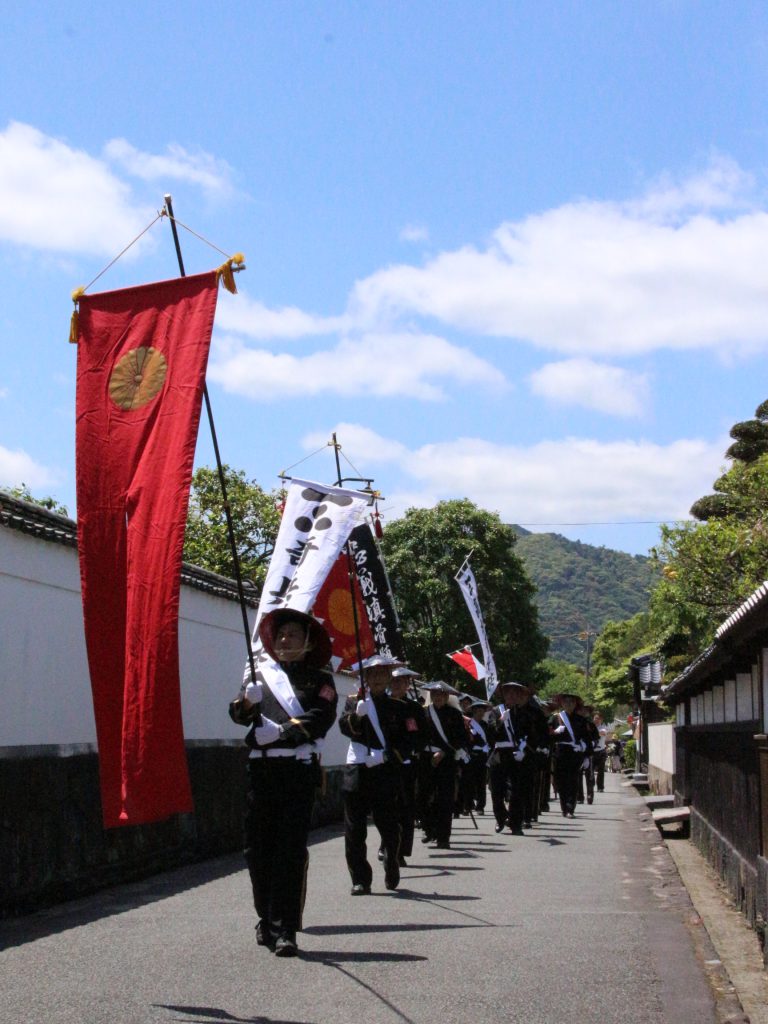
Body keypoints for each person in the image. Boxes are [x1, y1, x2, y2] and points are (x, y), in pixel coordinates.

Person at [231, 608, 338, 957]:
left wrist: (281, 731)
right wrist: (247, 702)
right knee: (256, 850)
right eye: (279, 635)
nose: (283, 640)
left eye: (292, 634)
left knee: (289, 851)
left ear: (306, 642)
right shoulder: (261, 674)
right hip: (261, 773)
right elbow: (236, 714)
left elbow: (321, 717)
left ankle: (286, 928)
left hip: (296, 771)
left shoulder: (320, 678)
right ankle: (266, 917)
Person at [339, 654, 412, 895]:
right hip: (357, 769)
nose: (378, 677)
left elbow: (409, 742)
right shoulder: (354, 701)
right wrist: (356, 716)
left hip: (384, 771)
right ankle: (360, 878)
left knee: (389, 825)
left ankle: (391, 859)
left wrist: (386, 756)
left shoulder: (399, 708)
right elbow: (344, 727)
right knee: (354, 828)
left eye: (383, 673)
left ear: (390, 676)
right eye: (373, 673)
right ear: (366, 677)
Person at [419, 681, 470, 849]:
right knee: (424, 796)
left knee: (445, 799)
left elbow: (461, 738)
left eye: (441, 694)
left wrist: (444, 752)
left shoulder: (454, 714)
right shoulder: (424, 713)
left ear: (447, 696)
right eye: (435, 694)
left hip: (447, 759)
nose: (438, 697)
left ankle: (443, 837)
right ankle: (429, 828)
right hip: (426, 759)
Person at [387, 665, 426, 865]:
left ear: (407, 684)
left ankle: (401, 851)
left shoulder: (415, 708)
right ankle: (387, 845)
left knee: (405, 807)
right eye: (394, 681)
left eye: (402, 682)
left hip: (407, 763)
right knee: (387, 808)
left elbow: (422, 735)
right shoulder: (382, 704)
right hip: (385, 762)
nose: (397, 685)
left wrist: (412, 749)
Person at [488, 681, 534, 835]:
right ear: (504, 695)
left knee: (517, 790)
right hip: (499, 753)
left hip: (517, 753)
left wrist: (523, 748)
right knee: (496, 789)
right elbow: (491, 733)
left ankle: (516, 823)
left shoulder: (524, 713)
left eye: (515, 693)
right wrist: (501, 721)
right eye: (508, 693)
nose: (512, 696)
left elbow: (531, 734)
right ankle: (500, 817)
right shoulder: (495, 711)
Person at [550, 693, 590, 818]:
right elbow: (545, 734)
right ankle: (564, 807)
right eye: (566, 702)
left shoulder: (581, 720)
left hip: (574, 752)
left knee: (573, 780)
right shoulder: (555, 719)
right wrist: (554, 733)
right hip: (560, 751)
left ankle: (570, 808)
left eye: (571, 702)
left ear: (575, 704)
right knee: (561, 781)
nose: (568, 704)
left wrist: (584, 750)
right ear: (561, 703)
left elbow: (587, 738)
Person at [463, 700, 491, 814]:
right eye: (478, 711)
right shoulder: (468, 724)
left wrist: (488, 747)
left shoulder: (486, 725)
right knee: (469, 781)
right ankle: (468, 805)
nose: (480, 713)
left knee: (481, 781)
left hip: (483, 756)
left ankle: (480, 805)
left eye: (482, 711)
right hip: (471, 755)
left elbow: (490, 739)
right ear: (474, 711)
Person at [592, 713, 608, 792]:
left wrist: (592, 733)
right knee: (590, 770)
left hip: (601, 751)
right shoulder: (590, 727)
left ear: (601, 720)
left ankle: (600, 787)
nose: (596, 720)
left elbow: (603, 733)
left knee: (601, 770)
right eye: (595, 718)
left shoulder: (603, 727)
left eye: (598, 718)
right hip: (591, 752)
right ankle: (591, 784)